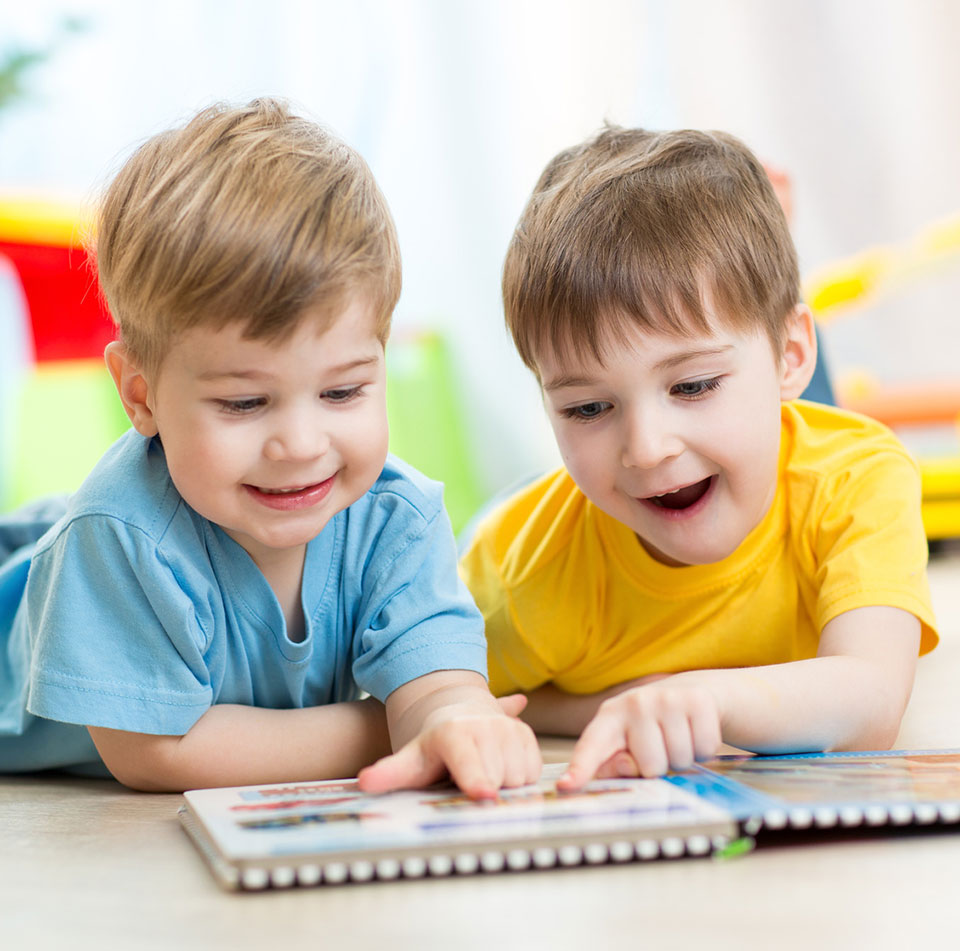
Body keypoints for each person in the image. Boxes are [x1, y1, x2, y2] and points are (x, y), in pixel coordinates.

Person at [0, 98, 540, 798]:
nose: (299, 444)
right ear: (140, 395)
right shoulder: (122, 534)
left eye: (342, 393)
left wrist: (449, 718)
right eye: (245, 403)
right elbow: (157, 753)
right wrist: (385, 726)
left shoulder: (396, 519)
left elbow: (440, 679)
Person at [459, 125, 938, 791]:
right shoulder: (521, 577)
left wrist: (704, 700)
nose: (648, 448)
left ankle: (772, 280)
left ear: (793, 351)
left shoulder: (861, 478)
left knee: (789, 407)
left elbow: (871, 701)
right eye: (587, 408)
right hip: (528, 510)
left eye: (690, 386)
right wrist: (616, 703)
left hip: (788, 422)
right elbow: (450, 696)